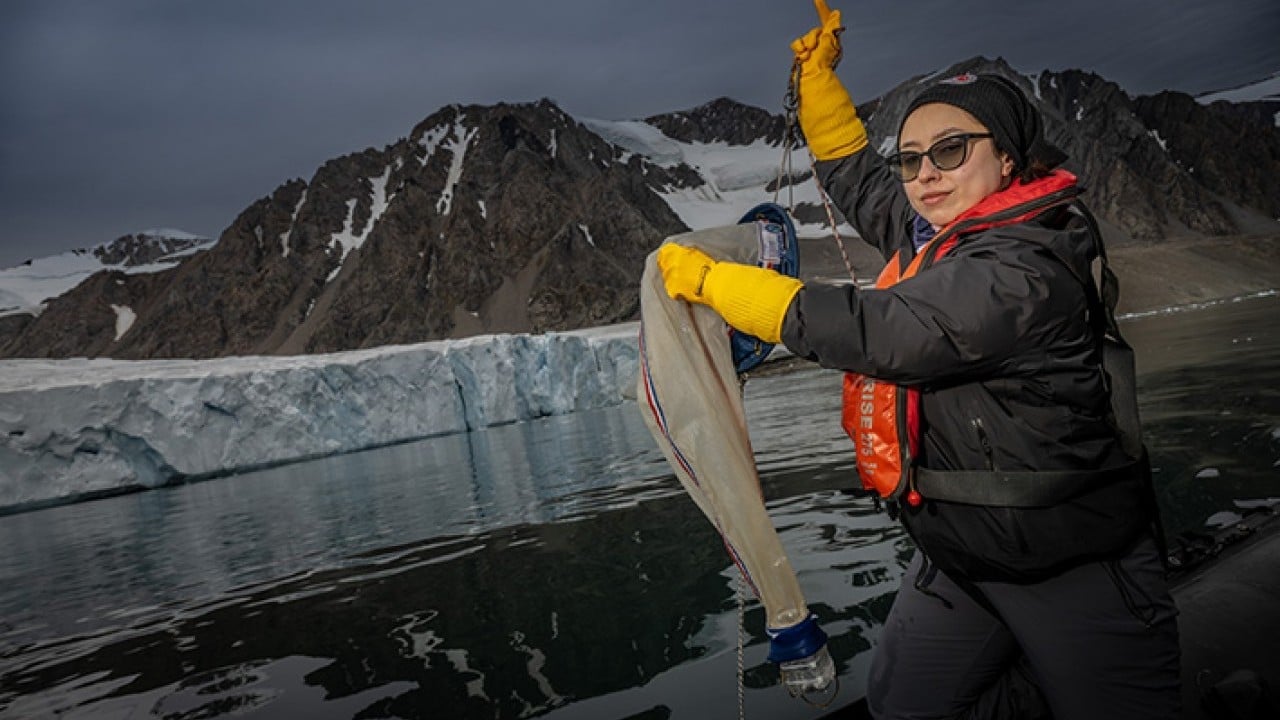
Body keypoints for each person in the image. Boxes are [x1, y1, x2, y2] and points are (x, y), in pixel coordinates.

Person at [655, 1, 1181, 718]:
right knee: (904, 705)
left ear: (1008, 158)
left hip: (1074, 563)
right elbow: (859, 179)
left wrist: (721, 285)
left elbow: (888, 331)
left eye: (951, 150)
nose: (926, 174)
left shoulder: (1026, 268)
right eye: (911, 158)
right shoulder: (938, 230)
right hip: (964, 560)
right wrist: (819, 88)